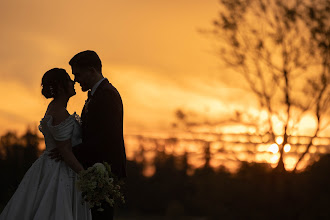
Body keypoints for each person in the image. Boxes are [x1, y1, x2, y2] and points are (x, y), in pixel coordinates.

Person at [0, 68, 92, 220]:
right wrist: (85, 175)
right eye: (69, 80)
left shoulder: (55, 108)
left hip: (50, 166)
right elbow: (65, 151)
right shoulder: (60, 112)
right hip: (60, 170)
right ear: (61, 86)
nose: (73, 82)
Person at [50, 50, 127, 220]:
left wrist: (68, 153)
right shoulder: (95, 95)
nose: (76, 80)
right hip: (94, 169)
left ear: (92, 71)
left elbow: (104, 139)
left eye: (77, 74)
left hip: (105, 170)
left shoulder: (107, 95)